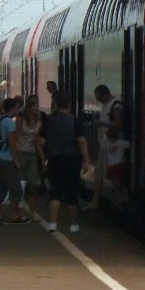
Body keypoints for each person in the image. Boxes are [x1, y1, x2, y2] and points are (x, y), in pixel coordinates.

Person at [44, 91, 91, 233]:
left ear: (55, 104)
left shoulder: (48, 120)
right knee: (71, 192)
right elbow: (81, 141)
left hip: (54, 159)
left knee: (55, 191)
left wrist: (43, 157)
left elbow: (40, 141)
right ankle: (74, 224)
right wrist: (86, 160)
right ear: (69, 104)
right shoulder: (74, 121)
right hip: (72, 160)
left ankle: (53, 223)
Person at [86, 84, 124, 211]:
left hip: (113, 146)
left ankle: (125, 198)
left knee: (113, 175)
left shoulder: (116, 106)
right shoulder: (105, 106)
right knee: (99, 173)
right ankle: (95, 201)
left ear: (105, 94)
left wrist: (101, 122)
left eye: (99, 98)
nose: (98, 100)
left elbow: (118, 125)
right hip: (105, 145)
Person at [0, 97, 32, 225]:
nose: (19, 110)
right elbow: (12, 142)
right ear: (12, 108)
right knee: (16, 189)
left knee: (1, 189)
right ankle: (15, 216)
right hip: (8, 159)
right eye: (17, 107)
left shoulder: (1, 120)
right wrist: (16, 159)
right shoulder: (10, 123)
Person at [14, 95, 47, 220]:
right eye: (34, 106)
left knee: (33, 184)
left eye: (37, 106)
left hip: (33, 154)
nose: (36, 108)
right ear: (28, 107)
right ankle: (17, 210)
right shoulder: (20, 120)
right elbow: (16, 137)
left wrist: (42, 158)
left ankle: (32, 211)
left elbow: (38, 141)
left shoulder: (39, 122)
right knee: (20, 183)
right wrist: (15, 156)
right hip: (21, 152)